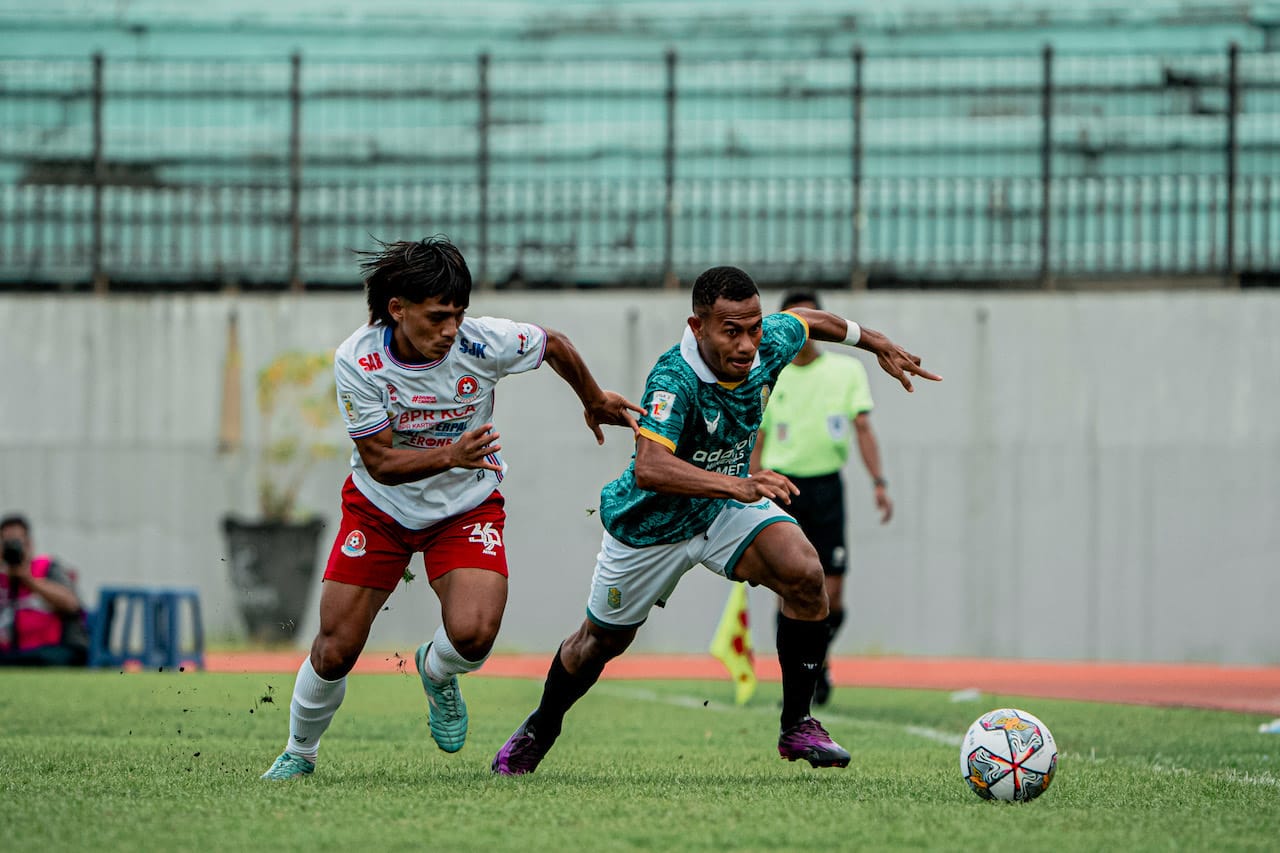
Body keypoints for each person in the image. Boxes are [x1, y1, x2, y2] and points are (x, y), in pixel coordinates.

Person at [491, 265, 939, 776]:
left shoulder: (769, 340)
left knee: (805, 573)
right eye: (731, 331)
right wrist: (738, 484)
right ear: (698, 326)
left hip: (721, 508)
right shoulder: (673, 378)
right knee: (599, 643)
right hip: (649, 526)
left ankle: (797, 724)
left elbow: (809, 320)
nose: (748, 344)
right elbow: (652, 468)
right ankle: (541, 727)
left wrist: (875, 340)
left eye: (753, 327)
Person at [261, 236, 643, 781]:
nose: (450, 330)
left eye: (458, 315)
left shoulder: (482, 343)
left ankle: (436, 671)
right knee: (336, 649)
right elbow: (379, 462)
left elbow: (553, 343)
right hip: (379, 508)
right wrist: (453, 454)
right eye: (438, 317)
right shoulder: (359, 361)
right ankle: (300, 751)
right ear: (398, 309)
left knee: (474, 634)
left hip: (465, 507)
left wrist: (595, 399)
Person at [749, 290, 892, 706]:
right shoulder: (768, 372)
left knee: (834, 592)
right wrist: (751, 482)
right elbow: (757, 436)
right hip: (782, 487)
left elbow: (863, 428)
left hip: (828, 488)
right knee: (790, 587)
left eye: (810, 323)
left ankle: (819, 660)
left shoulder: (847, 372)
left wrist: (879, 482)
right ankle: (799, 685)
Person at [0, 514, 89, 667]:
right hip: (11, 652)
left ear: (29, 544)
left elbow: (72, 604)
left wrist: (29, 580)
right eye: (6, 542)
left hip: (53, 650)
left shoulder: (47, 568)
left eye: (16, 542)